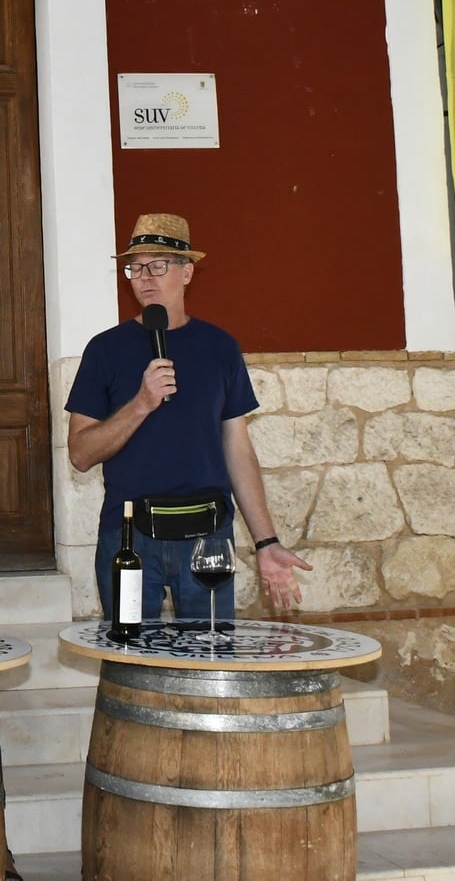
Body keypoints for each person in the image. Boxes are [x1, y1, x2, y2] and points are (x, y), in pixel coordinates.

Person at [66, 213, 312, 622]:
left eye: (158, 265)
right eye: (135, 267)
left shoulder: (220, 348)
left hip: (208, 538)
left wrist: (266, 542)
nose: (145, 277)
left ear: (187, 272)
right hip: (129, 537)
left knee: (210, 659)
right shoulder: (104, 350)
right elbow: (80, 454)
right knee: (130, 662)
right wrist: (141, 402)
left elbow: (237, 450)